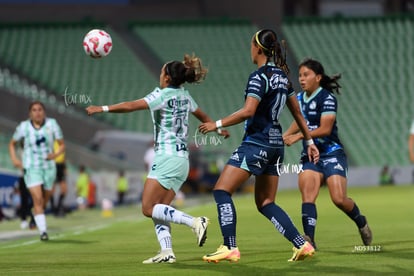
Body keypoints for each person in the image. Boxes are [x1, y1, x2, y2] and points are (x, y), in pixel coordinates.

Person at [86, 54, 229, 264]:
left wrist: (103, 108)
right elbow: (205, 117)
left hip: (166, 158)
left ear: (167, 78)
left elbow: (131, 106)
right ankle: (167, 251)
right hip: (182, 161)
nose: (160, 75)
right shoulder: (185, 96)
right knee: (159, 209)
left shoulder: (162, 95)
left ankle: (194, 222)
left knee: (147, 208)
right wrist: (218, 128)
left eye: (162, 72)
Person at [198, 29, 319, 263]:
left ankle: (229, 246)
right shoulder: (284, 77)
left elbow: (248, 111)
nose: (249, 50)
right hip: (276, 146)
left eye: (250, 45)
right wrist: (310, 141)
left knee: (222, 190)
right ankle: (301, 244)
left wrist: (217, 124)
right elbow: (297, 112)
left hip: (256, 143)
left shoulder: (259, 76)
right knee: (266, 202)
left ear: (258, 48)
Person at [283, 58, 372, 249]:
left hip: (332, 152)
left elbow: (325, 128)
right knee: (308, 194)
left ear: (318, 77)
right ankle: (309, 240)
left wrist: (298, 136)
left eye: (306, 75)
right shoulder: (298, 99)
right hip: (310, 155)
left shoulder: (327, 98)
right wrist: (286, 135)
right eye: (300, 75)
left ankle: (361, 221)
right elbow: (300, 121)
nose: (302, 79)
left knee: (339, 199)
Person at [9, 101, 65, 241]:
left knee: (44, 200)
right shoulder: (23, 127)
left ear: (44, 112)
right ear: (30, 113)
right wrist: (15, 159)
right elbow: (12, 143)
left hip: (49, 167)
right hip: (31, 167)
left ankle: (36, 215)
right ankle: (43, 232)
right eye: (34, 110)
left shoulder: (52, 124)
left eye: (40, 109)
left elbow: (62, 144)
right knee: (37, 198)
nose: (37, 112)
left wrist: (55, 154)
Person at [50, 140, 68, 216]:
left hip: (60, 166)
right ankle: (53, 209)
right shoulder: (51, 142)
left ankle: (59, 207)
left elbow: (63, 157)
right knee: (52, 190)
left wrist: (64, 168)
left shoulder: (62, 143)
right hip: (53, 166)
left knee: (64, 190)